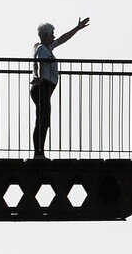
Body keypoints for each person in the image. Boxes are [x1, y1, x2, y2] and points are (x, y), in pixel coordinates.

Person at [30, 17, 90, 159]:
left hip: (45, 88)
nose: (54, 36)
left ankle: (39, 153)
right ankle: (38, 154)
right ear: (45, 36)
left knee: (43, 120)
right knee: (42, 120)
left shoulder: (47, 47)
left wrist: (77, 28)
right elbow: (38, 63)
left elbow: (63, 39)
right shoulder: (41, 48)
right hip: (42, 87)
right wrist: (38, 76)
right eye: (52, 34)